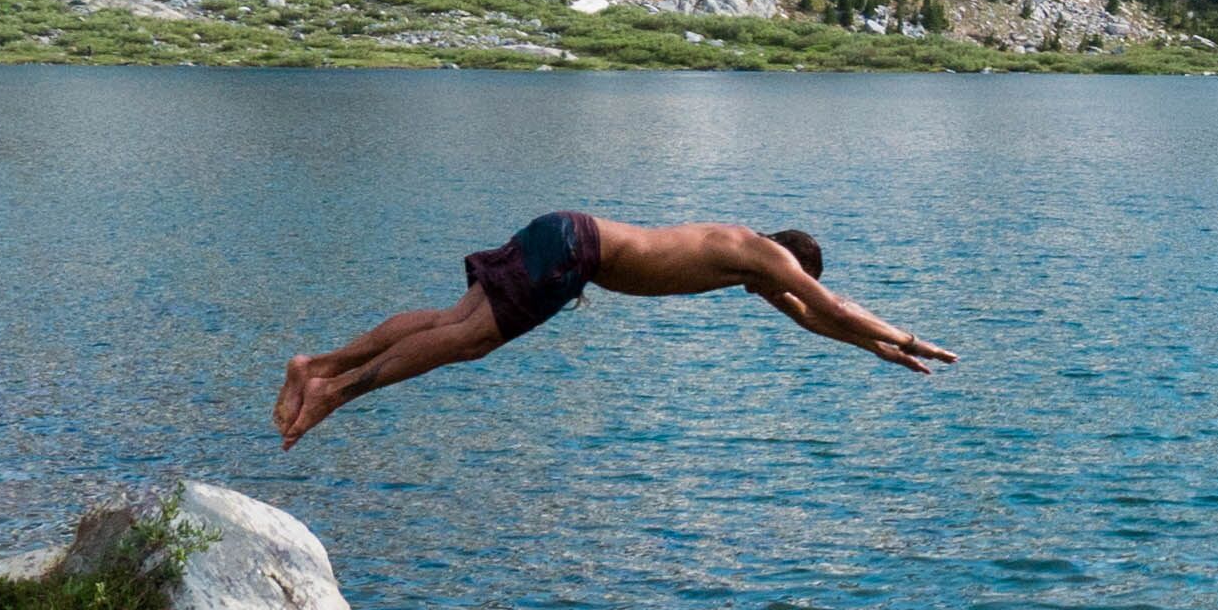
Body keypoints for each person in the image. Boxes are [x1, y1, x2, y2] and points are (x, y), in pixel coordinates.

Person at [274, 209, 953, 444]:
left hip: (568, 231)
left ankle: (317, 365)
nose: (785, 291)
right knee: (469, 341)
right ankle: (338, 391)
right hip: (578, 252)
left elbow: (813, 321)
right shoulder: (764, 254)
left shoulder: (748, 266)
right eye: (793, 279)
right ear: (793, 259)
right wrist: (907, 336)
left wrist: (878, 351)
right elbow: (828, 305)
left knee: (455, 321)